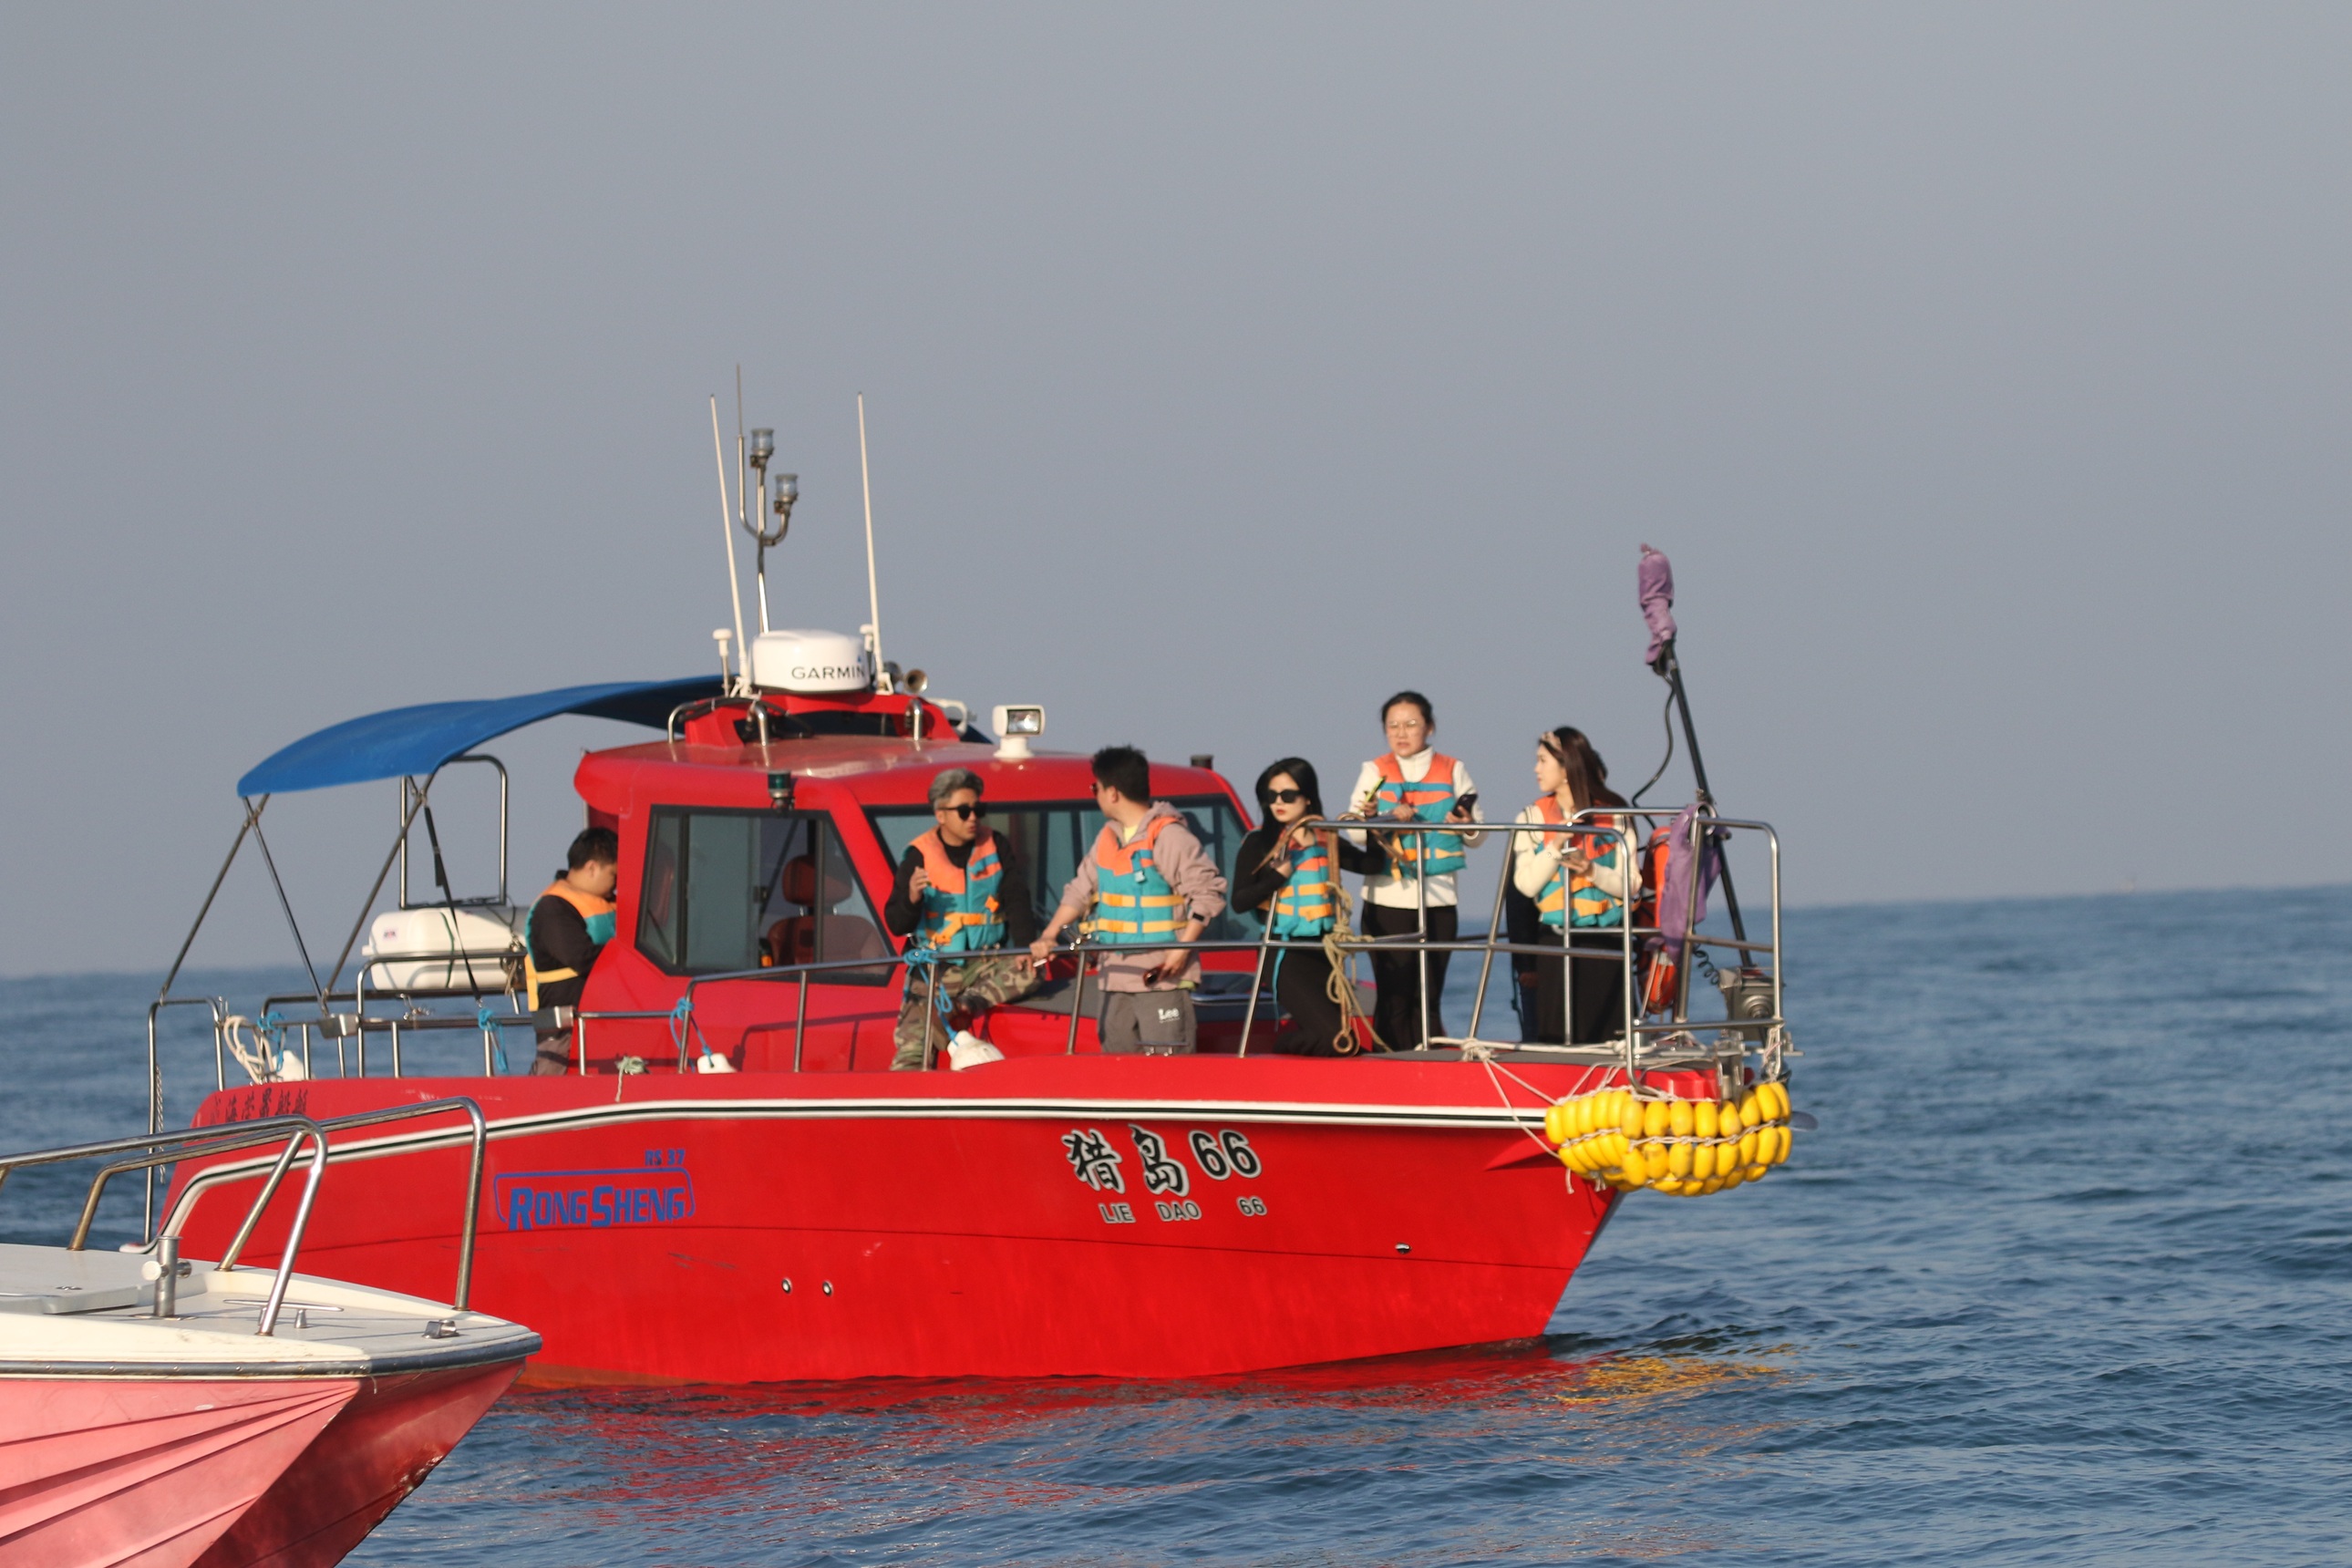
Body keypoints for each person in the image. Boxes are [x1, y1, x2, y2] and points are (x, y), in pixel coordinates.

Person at [1031, 746, 1228, 1055]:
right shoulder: (1107, 838)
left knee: (1168, 1072)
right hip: (1114, 979)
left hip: (1162, 980)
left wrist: (1180, 952)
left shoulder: (1169, 836)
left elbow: (1208, 894)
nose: (1093, 794)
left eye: (1095, 787)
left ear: (1112, 793)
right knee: (1117, 1068)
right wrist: (1048, 934)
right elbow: (1079, 890)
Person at [1344, 692, 1484, 1049]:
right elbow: (1355, 833)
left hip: (1438, 897)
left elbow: (1477, 836)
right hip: (1386, 898)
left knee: (1430, 993)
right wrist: (1373, 816)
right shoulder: (1373, 771)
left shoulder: (1454, 769)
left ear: (1429, 727)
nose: (1401, 732)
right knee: (1394, 996)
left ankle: (1432, 1064)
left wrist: (1464, 822)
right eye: (1393, 725)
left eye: (1410, 724)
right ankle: (1390, 1066)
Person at [882, 769, 1040, 1069]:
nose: (973, 818)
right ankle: (910, 1107)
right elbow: (896, 923)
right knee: (911, 1052)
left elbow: (1018, 897)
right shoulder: (918, 855)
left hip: (987, 962)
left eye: (978, 810)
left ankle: (968, 1005)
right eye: (964, 811)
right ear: (940, 815)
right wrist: (912, 898)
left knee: (1033, 970)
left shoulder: (996, 845)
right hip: (937, 968)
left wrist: (1024, 947)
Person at [1229, 759, 1387, 1056]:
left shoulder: (1326, 838)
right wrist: (1277, 877)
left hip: (1323, 952)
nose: (1278, 802)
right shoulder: (1258, 843)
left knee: (1342, 1040)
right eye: (1271, 795)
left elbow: (1372, 864)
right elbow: (1239, 902)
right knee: (1334, 1038)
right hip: (1283, 953)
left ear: (1308, 797)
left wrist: (1372, 822)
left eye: (1288, 795)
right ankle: (1279, 1050)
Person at [1511, 727, 1641, 1044]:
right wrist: (1555, 846)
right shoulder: (1530, 818)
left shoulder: (1616, 816)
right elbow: (1526, 886)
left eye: (1543, 761)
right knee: (1557, 1037)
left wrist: (1590, 870)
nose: (1536, 769)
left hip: (1607, 942)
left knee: (1611, 1038)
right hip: (1555, 944)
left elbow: (1632, 884)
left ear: (1566, 767)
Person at [525, 826, 619, 1076]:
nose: (615, 885)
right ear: (591, 868)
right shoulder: (552, 908)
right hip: (562, 1029)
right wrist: (627, 955)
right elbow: (581, 957)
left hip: (600, 1025)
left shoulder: (609, 903)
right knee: (552, 1085)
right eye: (613, 875)